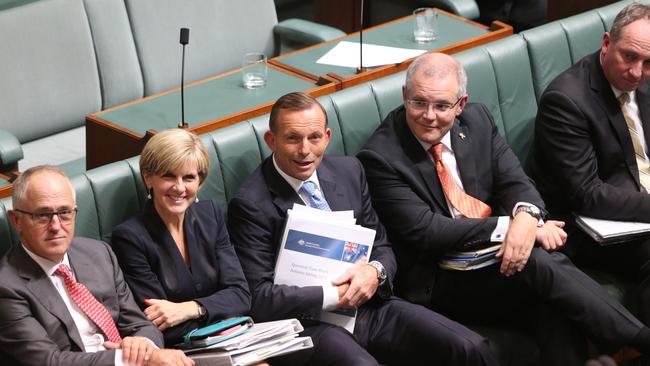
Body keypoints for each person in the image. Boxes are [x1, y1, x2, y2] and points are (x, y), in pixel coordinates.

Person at [357, 52, 650, 365]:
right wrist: (513, 227)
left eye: (442, 106)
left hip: (493, 261)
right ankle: (639, 340)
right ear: (405, 96)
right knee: (537, 262)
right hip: (440, 276)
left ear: (461, 104)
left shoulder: (478, 121)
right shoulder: (381, 156)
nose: (429, 115)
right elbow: (427, 231)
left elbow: (517, 183)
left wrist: (526, 215)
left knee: (551, 305)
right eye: (418, 103)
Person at [227, 92, 500, 366]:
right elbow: (259, 298)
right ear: (271, 140)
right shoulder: (251, 204)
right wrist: (335, 295)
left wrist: (375, 271)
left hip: (370, 308)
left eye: (314, 137)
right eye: (292, 138)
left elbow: (381, 244)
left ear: (328, 136)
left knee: (470, 347)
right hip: (308, 325)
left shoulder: (349, 172)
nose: (305, 150)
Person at [0, 165, 193, 366]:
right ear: (16, 220)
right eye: (42, 215)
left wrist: (144, 345)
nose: (56, 226)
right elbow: (48, 361)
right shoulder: (6, 286)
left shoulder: (99, 253)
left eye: (65, 212)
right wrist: (135, 360)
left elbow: (138, 323)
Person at [532, 3, 650, 326]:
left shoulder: (645, 80)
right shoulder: (567, 101)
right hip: (587, 227)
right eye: (629, 57)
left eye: (648, 63)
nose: (637, 72)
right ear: (606, 43)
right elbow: (587, 193)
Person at [111, 128, 251, 347]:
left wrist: (192, 308)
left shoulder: (210, 215)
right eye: (168, 176)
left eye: (189, 178)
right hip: (183, 348)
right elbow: (159, 321)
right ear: (149, 178)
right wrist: (220, 313)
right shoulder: (130, 237)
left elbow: (241, 295)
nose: (179, 187)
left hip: (231, 336)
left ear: (200, 181)